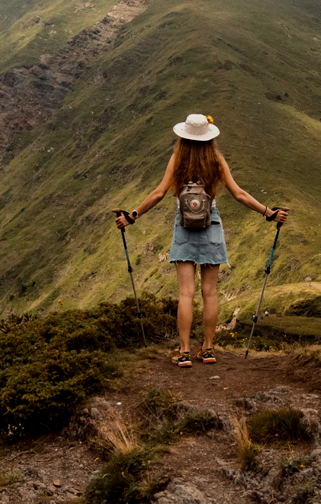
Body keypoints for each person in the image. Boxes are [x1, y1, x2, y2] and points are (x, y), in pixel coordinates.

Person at [115, 114, 289, 368]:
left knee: (186, 293)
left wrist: (133, 216)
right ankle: (207, 349)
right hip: (212, 226)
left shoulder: (177, 160)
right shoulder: (216, 160)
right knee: (210, 292)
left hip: (184, 227)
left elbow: (159, 193)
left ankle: (184, 351)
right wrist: (268, 212)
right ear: (209, 137)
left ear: (183, 137)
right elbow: (239, 193)